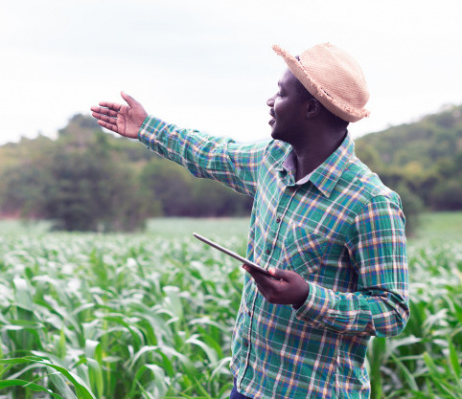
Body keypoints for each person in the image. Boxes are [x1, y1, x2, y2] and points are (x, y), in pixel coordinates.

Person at [91, 43, 409, 399]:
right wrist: (147, 127)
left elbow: (391, 311)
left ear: (310, 109)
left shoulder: (370, 202)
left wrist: (306, 296)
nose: (271, 101)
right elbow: (209, 152)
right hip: (249, 384)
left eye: (281, 93)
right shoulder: (270, 161)